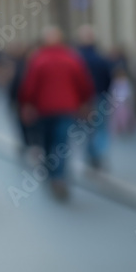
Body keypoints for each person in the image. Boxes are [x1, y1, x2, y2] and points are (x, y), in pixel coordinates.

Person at [18, 26, 94, 201]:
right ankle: (58, 176)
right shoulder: (72, 58)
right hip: (67, 108)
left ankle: (52, 173)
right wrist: (84, 102)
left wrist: (27, 104)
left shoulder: (38, 58)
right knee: (62, 142)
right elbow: (83, 83)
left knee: (47, 141)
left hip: (44, 108)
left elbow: (30, 85)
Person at [76, 25, 112, 171]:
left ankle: (91, 154)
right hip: (99, 96)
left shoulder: (76, 58)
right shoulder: (100, 57)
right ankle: (97, 154)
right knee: (100, 128)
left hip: (84, 100)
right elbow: (108, 78)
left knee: (87, 129)